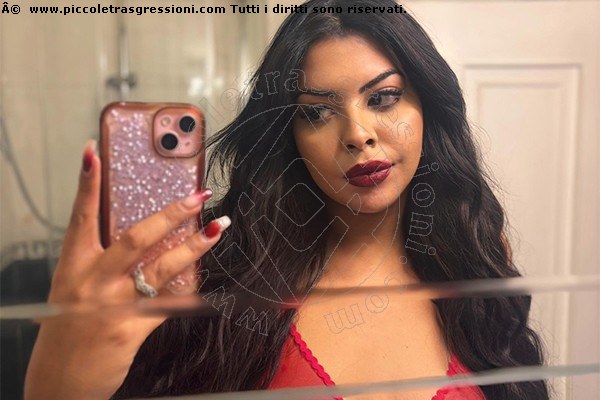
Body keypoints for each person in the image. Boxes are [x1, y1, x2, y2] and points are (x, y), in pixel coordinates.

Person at [24, 0, 550, 399]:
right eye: (316, 112)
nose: (357, 134)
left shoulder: (472, 252)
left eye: (384, 97)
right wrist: (60, 383)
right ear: (289, 135)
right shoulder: (220, 278)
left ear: (428, 106)